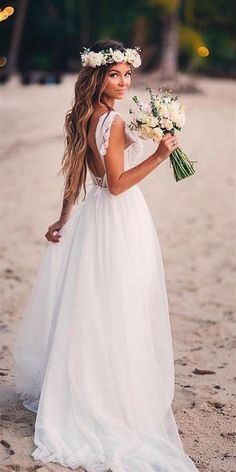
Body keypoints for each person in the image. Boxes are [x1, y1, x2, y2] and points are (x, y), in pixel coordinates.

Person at [13, 39, 199, 471]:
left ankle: (88, 384)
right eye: (114, 74)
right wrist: (159, 154)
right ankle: (109, 396)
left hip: (92, 219)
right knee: (120, 305)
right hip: (117, 217)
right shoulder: (112, 121)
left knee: (94, 306)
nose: (123, 82)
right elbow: (116, 184)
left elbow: (76, 171)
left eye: (127, 74)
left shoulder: (80, 116)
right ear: (96, 76)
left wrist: (62, 218)